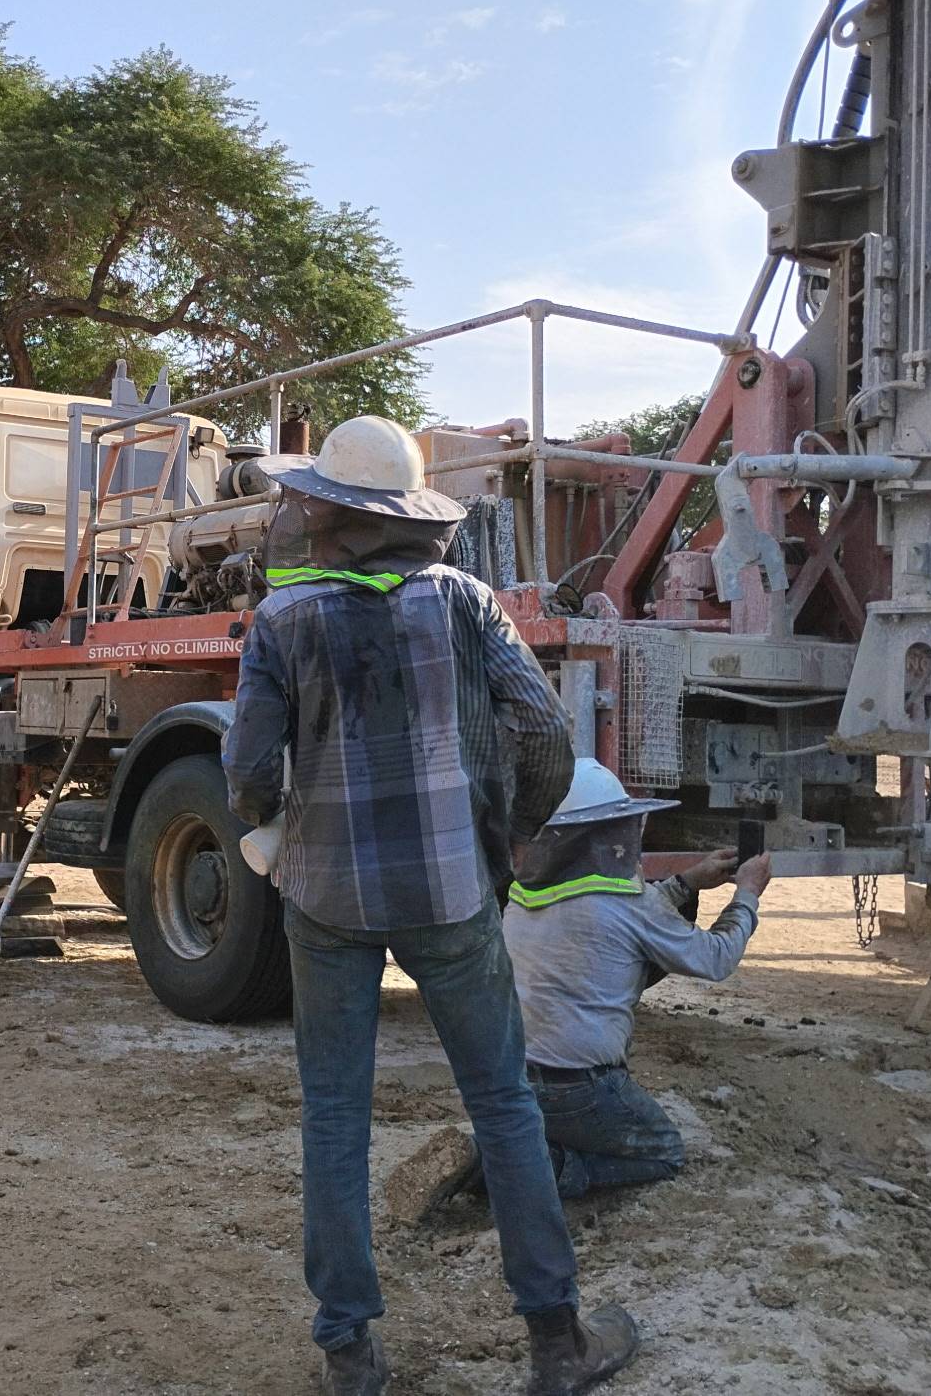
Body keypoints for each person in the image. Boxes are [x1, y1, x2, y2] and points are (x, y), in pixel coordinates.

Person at [222, 416, 639, 1396]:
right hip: (451, 896)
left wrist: (270, 827)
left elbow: (246, 768)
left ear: (330, 515)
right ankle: (555, 1342)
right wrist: (505, 841)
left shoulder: (282, 620)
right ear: (407, 519)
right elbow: (541, 732)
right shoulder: (463, 601)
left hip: (325, 899)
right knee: (503, 1104)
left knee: (334, 1115)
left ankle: (348, 1355)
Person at [500, 758, 771, 1199]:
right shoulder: (632, 907)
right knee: (663, 1153)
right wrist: (747, 895)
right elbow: (717, 958)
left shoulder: (525, 895)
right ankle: (541, 1169)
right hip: (581, 1086)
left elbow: (613, 918)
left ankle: (506, 1155)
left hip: (513, 1080)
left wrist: (686, 882)